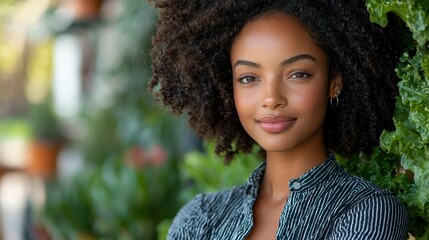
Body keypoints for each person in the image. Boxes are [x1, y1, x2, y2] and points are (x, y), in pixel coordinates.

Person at [148, 0, 409, 239]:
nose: (271, 98)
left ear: (334, 82)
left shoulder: (369, 212)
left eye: (298, 74)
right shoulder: (198, 219)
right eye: (249, 78)